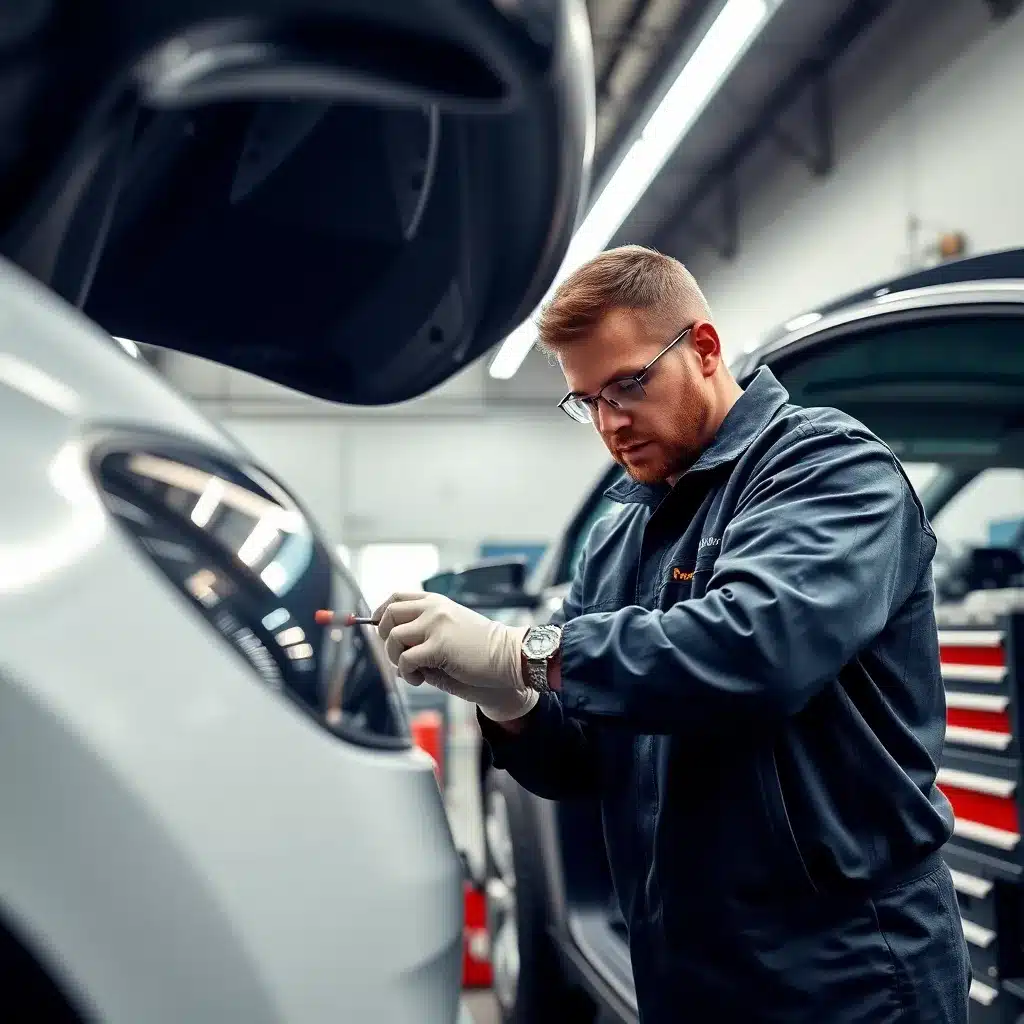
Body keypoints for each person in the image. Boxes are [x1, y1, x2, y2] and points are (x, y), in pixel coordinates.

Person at [375, 245, 970, 1023]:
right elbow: (584, 756)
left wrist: (522, 651)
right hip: (685, 966)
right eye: (586, 401)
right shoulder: (621, 534)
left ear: (705, 349)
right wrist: (508, 700)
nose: (611, 422)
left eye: (628, 383)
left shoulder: (826, 467)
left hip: (843, 969)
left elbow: (756, 649)